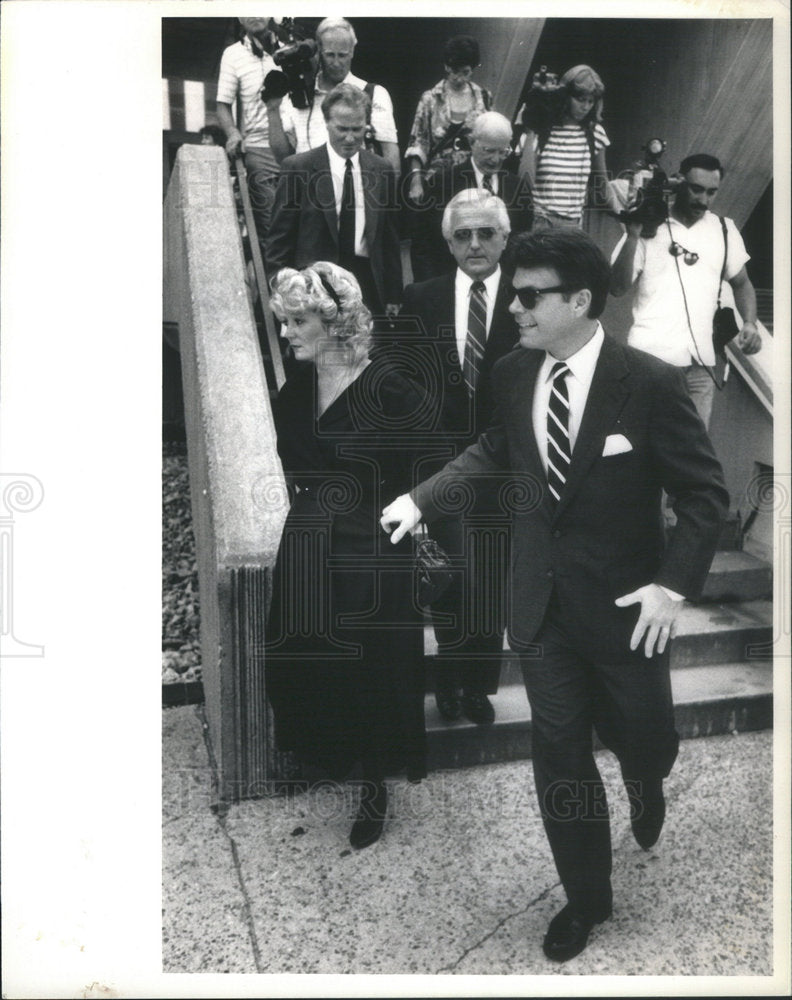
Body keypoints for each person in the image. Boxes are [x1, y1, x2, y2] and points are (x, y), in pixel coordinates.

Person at [382, 228, 728, 961]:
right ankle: (587, 897)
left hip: (630, 613)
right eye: (515, 292)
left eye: (530, 295)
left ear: (579, 299)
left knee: (647, 737)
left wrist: (672, 587)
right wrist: (422, 499)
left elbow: (704, 497)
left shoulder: (652, 384)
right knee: (559, 754)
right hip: (540, 608)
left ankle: (645, 775)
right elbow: (494, 449)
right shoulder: (511, 373)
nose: (514, 306)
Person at [265, 262, 434, 850]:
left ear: (337, 323)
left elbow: (430, 472)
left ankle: (374, 786)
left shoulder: (391, 387)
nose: (287, 333)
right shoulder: (294, 391)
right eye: (283, 322)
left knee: (372, 669)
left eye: (298, 320)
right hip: (310, 542)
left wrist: (410, 520)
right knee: (316, 659)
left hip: (371, 549)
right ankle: (331, 756)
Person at [399, 190, 519, 725]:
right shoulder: (421, 297)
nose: (475, 244)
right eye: (462, 235)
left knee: (490, 577)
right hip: (441, 466)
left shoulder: (526, 298)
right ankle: (450, 678)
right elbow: (400, 380)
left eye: (485, 233)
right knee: (451, 575)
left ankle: (478, 686)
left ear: (504, 239)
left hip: (507, 462)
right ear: (447, 242)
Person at [610, 153, 762, 429]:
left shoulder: (724, 230)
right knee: (641, 447)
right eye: (696, 189)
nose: (703, 200)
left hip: (701, 366)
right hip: (650, 361)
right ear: (679, 183)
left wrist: (750, 323)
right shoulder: (649, 226)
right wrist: (633, 235)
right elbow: (617, 287)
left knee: (692, 458)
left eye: (711, 192)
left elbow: (742, 283)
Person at [266, 84, 402, 318]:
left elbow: (388, 237)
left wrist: (393, 294)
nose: (350, 138)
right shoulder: (298, 168)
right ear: (326, 122)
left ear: (366, 125)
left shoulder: (381, 170)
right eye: (342, 129)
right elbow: (279, 241)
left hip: (366, 284)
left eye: (357, 129)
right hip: (314, 286)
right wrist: (283, 295)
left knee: (367, 354)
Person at [412, 111, 533, 279]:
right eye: (489, 151)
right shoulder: (442, 183)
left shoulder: (518, 187)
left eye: (503, 152)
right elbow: (423, 246)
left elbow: (522, 245)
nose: (496, 159)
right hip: (449, 285)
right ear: (471, 143)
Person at [277, 17, 401, 174]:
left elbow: (390, 158)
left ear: (352, 52)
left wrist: (387, 197)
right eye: (330, 55)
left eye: (342, 55)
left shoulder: (373, 94)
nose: (336, 63)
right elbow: (283, 157)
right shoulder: (298, 95)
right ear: (319, 51)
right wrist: (272, 107)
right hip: (308, 190)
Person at [216, 17, 293, 243]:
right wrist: (232, 133)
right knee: (273, 228)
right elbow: (222, 105)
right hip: (259, 150)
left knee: (306, 221)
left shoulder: (291, 46)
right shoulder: (232, 54)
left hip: (299, 145)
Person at [519, 64, 610, 229]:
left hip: (573, 224)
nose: (585, 107)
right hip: (541, 220)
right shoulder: (544, 130)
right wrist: (531, 128)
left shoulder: (595, 133)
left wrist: (625, 212)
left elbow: (603, 184)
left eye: (591, 101)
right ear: (565, 96)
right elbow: (525, 180)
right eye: (580, 99)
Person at [405, 35, 492, 204]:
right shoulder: (430, 99)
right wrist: (416, 182)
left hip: (473, 181)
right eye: (454, 71)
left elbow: (490, 140)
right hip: (438, 181)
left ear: (473, 69)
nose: (459, 78)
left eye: (465, 72)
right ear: (446, 66)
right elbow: (418, 143)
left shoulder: (484, 97)